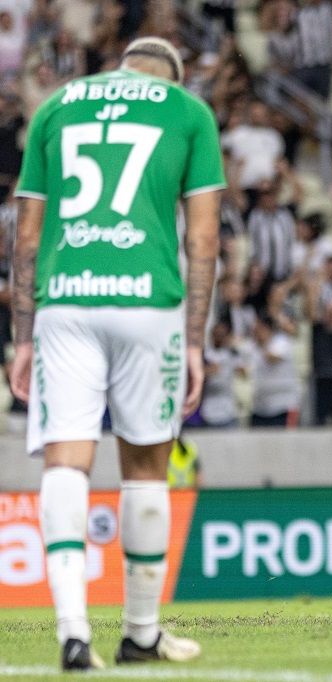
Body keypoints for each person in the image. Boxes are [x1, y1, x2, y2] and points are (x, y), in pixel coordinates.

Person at [10, 37, 222, 669]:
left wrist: (22, 337)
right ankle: (141, 632)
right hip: (147, 304)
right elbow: (204, 237)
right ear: (171, 76)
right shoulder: (186, 111)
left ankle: (74, 633)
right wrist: (192, 340)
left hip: (66, 301)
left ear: (122, 66)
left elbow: (25, 236)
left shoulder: (57, 106)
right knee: (146, 471)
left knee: (66, 465)